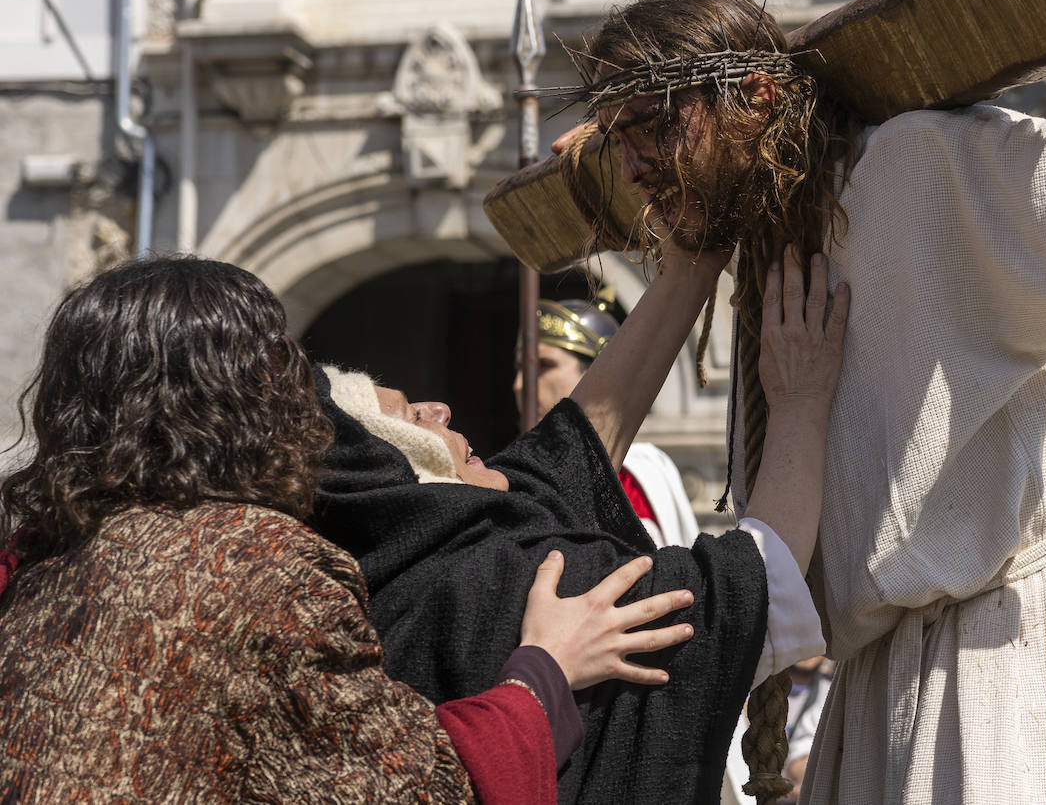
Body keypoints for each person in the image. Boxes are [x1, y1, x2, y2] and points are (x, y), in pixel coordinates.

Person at [552, 0, 1046, 801]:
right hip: (880, 683)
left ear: (755, 95)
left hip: (1005, 656)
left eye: (651, 126)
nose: (632, 166)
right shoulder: (768, 248)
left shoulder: (915, 165)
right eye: (617, 140)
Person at [0, 257, 695, 804]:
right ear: (248, 402)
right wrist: (544, 671)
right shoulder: (267, 568)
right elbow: (416, 787)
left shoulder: (36, 569)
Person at [310, 245, 849, 803]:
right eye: (408, 414)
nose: (439, 409)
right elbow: (752, 592)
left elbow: (571, 451)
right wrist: (800, 399)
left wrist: (695, 256)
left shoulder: (376, 573)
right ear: (393, 470)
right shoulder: (493, 584)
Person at [513, 290, 700, 548]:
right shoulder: (515, 473)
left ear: (597, 374)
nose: (520, 385)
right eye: (520, 369)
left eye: (543, 366)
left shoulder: (624, 478)